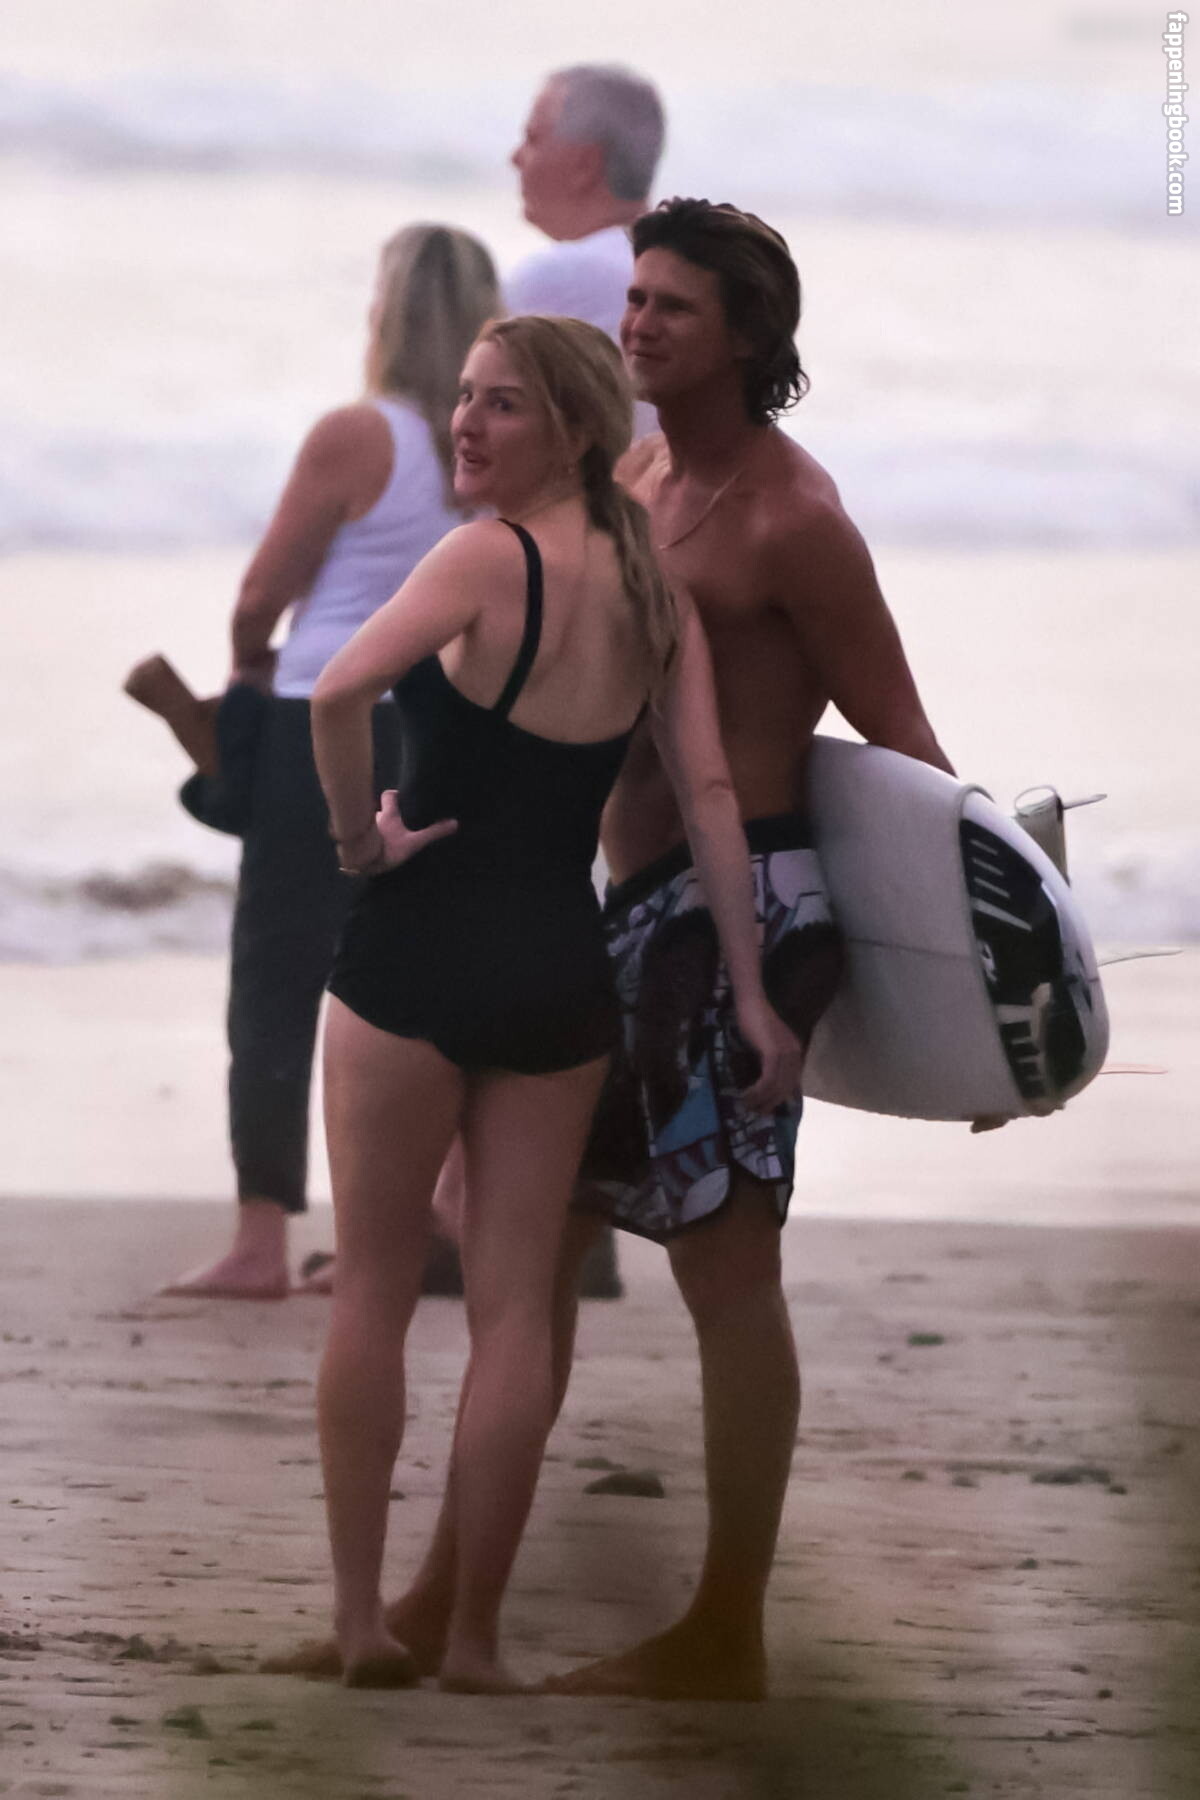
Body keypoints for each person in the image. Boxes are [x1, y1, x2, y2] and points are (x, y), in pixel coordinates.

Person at [306, 314, 804, 1692]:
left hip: (413, 954)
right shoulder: (654, 592)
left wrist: (358, 846)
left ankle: (363, 1626)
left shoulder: (483, 558)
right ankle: (473, 1639)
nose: (466, 424)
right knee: (517, 1310)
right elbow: (710, 795)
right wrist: (753, 993)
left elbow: (337, 694)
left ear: (576, 430)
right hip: (556, 976)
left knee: (374, 1292)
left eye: (503, 404)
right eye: (464, 398)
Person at [153, 224, 500, 1299]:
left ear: (386, 310)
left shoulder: (359, 433)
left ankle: (261, 1239)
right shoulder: (498, 443)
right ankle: (398, 1234)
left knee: (278, 976)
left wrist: (247, 671)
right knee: (412, 987)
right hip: (444, 726)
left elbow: (262, 593)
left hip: (323, 716)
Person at [508, 64, 664, 437]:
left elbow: (452, 413)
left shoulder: (564, 275)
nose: (515, 157)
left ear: (585, 165)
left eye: (532, 139)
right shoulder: (686, 272)